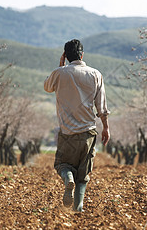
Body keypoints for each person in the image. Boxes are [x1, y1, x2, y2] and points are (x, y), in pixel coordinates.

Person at [44, 39, 110, 212]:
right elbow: (101, 107)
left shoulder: (59, 73)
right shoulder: (95, 74)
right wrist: (106, 127)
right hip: (88, 132)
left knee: (63, 165)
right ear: (82, 55)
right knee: (84, 173)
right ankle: (78, 206)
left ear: (66, 56)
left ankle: (67, 179)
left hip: (67, 132)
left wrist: (60, 66)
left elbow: (47, 87)